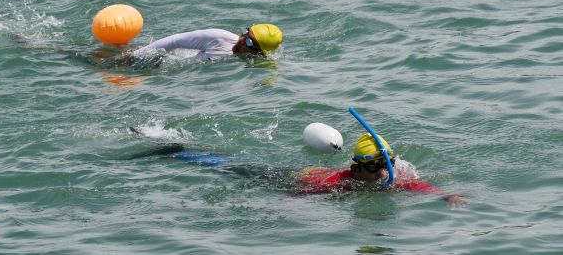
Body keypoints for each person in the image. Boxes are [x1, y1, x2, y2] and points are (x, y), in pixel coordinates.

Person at [123, 131, 467, 207]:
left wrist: (446, 195)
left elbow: (416, 187)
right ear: (357, 168)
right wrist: (284, 209)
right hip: (284, 176)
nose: (385, 171)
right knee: (226, 166)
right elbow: (300, 194)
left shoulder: (390, 180)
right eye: (377, 165)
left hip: (302, 173)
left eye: (388, 164)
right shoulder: (339, 182)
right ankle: (175, 150)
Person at [130, 24, 284, 62]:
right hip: (160, 59)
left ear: (258, 53)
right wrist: (135, 57)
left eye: (250, 42)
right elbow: (174, 40)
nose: (242, 40)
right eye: (245, 33)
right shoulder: (217, 38)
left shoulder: (254, 62)